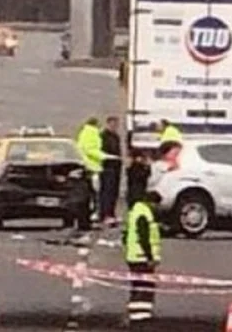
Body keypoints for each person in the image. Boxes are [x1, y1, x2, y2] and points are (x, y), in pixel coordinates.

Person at [123, 190, 162, 329]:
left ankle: (134, 315)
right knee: (145, 287)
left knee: (137, 286)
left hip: (133, 256)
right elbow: (144, 237)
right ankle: (141, 318)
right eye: (157, 205)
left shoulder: (134, 212)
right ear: (152, 202)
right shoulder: (144, 214)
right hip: (141, 258)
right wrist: (150, 257)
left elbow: (126, 235)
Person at [76, 117, 107, 222]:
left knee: (91, 192)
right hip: (93, 167)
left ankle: (92, 213)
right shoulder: (91, 133)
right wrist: (104, 157)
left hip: (87, 167)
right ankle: (94, 213)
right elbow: (91, 149)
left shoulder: (84, 132)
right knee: (95, 193)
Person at [99, 116, 123, 226]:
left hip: (116, 167)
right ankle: (105, 214)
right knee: (107, 192)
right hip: (107, 167)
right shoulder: (103, 136)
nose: (115, 126)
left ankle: (112, 213)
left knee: (114, 192)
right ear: (108, 124)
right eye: (113, 124)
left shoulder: (116, 136)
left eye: (116, 125)